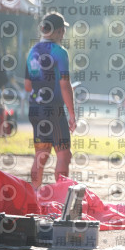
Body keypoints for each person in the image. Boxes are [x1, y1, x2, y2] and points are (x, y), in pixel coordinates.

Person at [25, 12, 76, 190]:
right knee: (64, 154)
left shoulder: (32, 51)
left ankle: (34, 194)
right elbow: (65, 84)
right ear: (59, 31)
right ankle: (61, 196)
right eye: (63, 31)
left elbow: (27, 86)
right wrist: (72, 114)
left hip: (35, 109)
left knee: (41, 154)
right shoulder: (60, 52)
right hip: (53, 110)